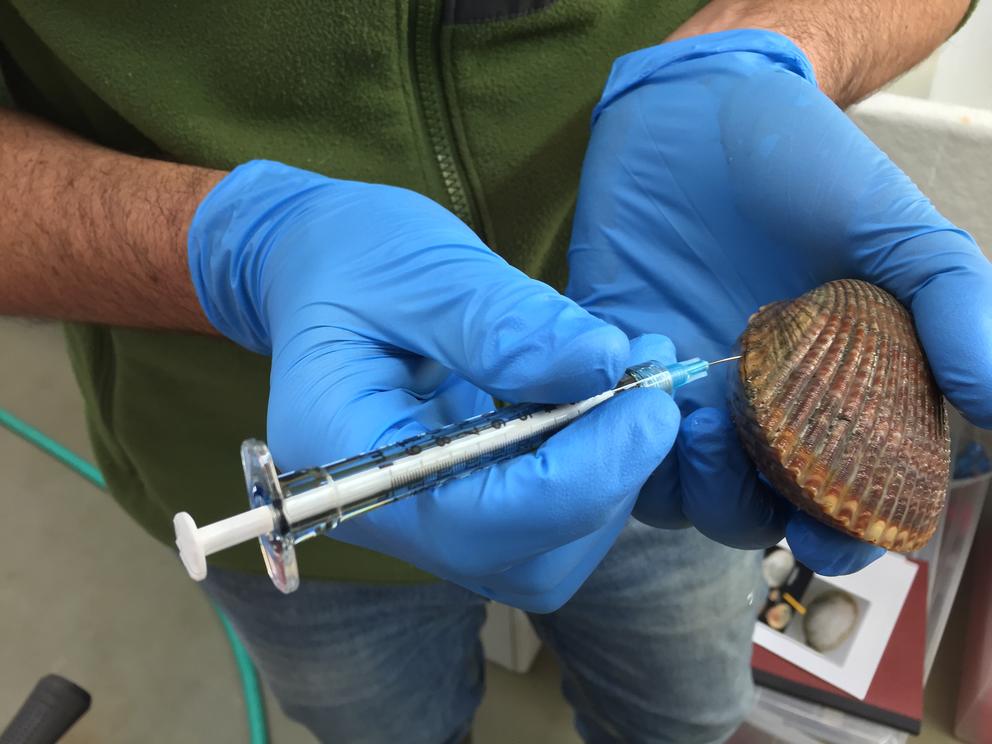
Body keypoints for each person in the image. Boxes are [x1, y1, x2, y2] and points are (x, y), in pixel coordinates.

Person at [2, 1, 990, 742]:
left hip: (688, 440)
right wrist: (238, 247)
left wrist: (761, 39)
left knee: (678, 719)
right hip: (254, 435)